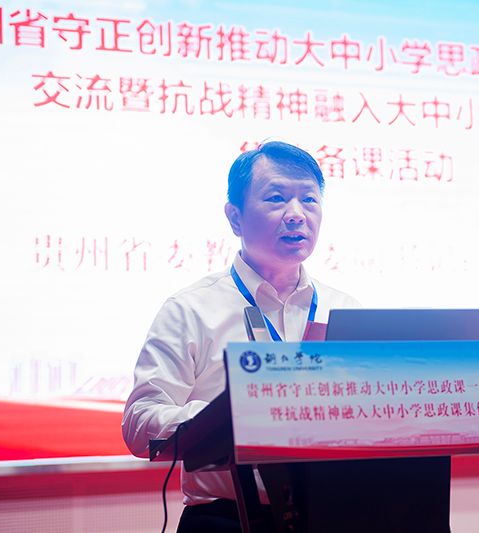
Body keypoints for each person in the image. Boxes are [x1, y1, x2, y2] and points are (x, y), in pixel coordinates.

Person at [122, 141, 359, 532]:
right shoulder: (191, 309)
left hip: (330, 516)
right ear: (235, 217)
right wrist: (229, 419)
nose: (296, 214)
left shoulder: (344, 310)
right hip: (226, 519)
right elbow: (139, 421)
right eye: (277, 198)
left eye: (309, 200)